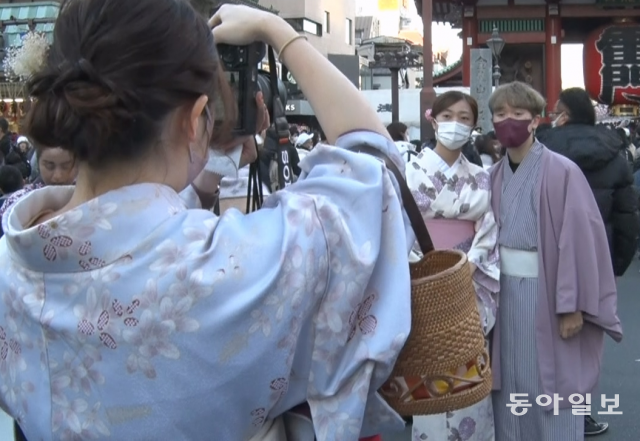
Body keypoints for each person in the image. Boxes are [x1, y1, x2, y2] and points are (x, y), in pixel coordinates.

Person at [0, 2, 414, 440]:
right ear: (196, 118)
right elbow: (374, 166)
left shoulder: (12, 266)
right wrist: (277, 32)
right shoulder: (233, 267)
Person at [488, 82, 623, 441]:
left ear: (535, 121)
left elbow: (580, 240)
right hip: (502, 296)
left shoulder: (562, 171)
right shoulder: (493, 176)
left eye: (518, 114)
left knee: (553, 386)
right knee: (510, 382)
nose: (508, 121)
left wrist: (572, 303)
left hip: (548, 291)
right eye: (500, 115)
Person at [407, 91, 499, 441]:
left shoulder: (481, 176)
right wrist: (425, 270)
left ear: (474, 127)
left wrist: (468, 266)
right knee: (429, 370)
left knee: (468, 377)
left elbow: (488, 230)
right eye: (448, 117)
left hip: (467, 287)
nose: (455, 125)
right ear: (433, 120)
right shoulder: (408, 172)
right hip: (424, 283)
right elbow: (398, 230)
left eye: (464, 118)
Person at [540, 88, 639, 279]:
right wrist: (617, 264)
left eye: (554, 112)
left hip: (550, 259)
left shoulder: (541, 153)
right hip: (600, 257)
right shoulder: (614, 156)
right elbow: (627, 216)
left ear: (564, 116)